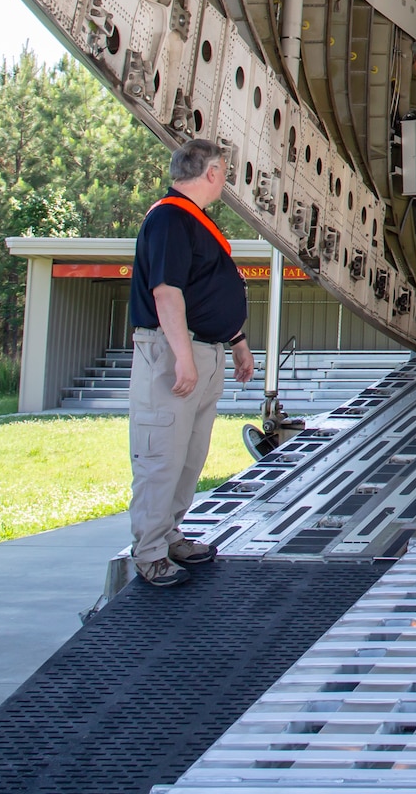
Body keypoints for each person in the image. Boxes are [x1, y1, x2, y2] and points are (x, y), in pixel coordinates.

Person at [127, 138, 255, 587]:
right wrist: (183, 358)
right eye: (225, 171)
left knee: (188, 457)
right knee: (161, 455)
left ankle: (170, 534)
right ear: (213, 172)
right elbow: (167, 293)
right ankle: (148, 552)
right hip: (174, 354)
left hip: (204, 349)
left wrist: (235, 339)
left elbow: (201, 291)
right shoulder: (169, 218)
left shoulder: (193, 222)